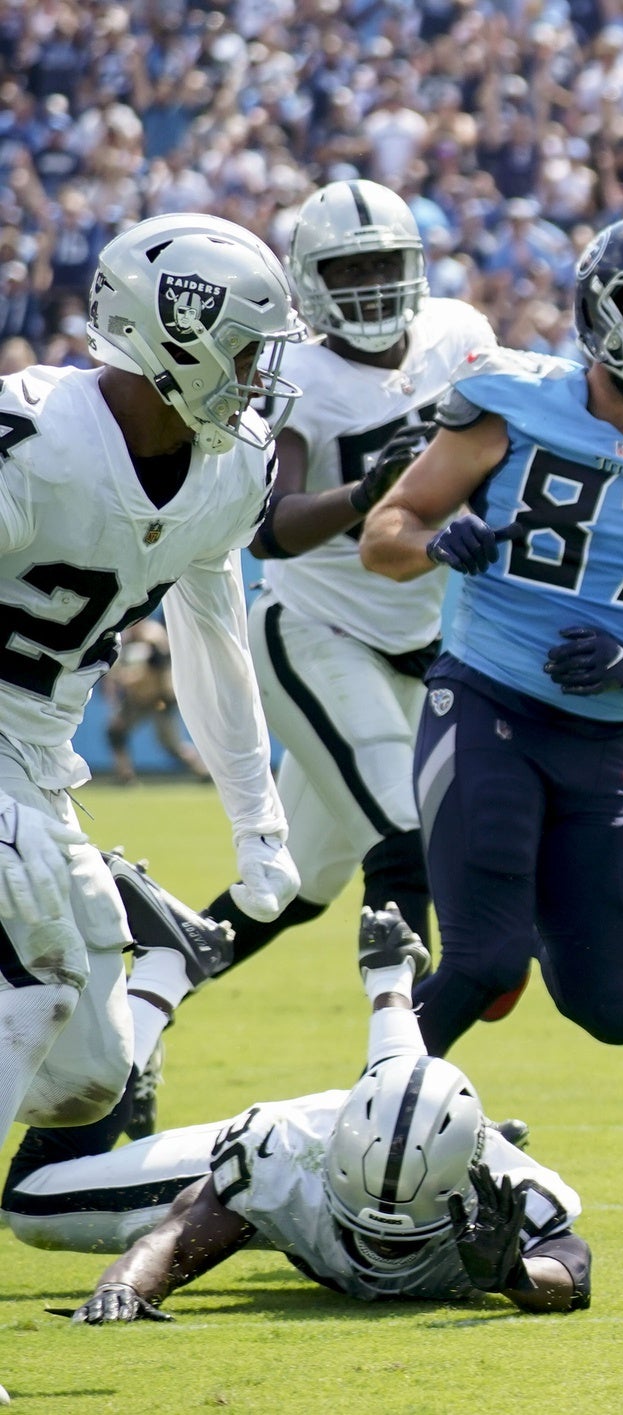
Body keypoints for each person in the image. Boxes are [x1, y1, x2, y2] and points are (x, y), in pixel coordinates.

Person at [126, 181, 501, 1137]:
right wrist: (370, 491)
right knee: (406, 842)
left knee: (288, 889)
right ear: (309, 282)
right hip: (314, 632)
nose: (373, 287)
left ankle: (135, 1019)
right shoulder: (303, 376)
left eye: (385, 265)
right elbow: (274, 529)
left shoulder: (460, 335)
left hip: (413, 642)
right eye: (351, 269)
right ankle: (399, 1086)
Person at [360, 213, 623, 1057]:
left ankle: (527, 895)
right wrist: (438, 541)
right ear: (600, 308)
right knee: (483, 960)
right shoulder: (510, 398)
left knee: (616, 1007)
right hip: (485, 699)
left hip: (602, 737)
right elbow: (384, 533)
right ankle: (351, 1129)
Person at [0, 213, 303, 1151]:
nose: (259, 377)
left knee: (88, 1074)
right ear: (175, 328)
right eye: (247, 350)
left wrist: (257, 817)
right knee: (40, 978)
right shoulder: (34, 434)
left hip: (42, 764)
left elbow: (215, 637)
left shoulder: (231, 467)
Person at [4, 906, 590, 1317]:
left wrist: (515, 1275)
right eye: (367, 1229)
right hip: (306, 1170)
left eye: (402, 1242)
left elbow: (571, 1272)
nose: (383, 1250)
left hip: (386, 1145)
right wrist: (128, 1288)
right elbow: (182, 1235)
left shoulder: (505, 1195)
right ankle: (163, 975)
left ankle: (387, 976)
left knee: (402, 1094)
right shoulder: (287, 1156)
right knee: (30, 1202)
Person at [99, 619, 209, 784]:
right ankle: (125, 775)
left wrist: (128, 677)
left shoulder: (153, 635)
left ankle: (204, 771)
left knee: (171, 745)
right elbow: (113, 669)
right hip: (137, 698)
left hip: (160, 698)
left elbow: (158, 664)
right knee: (115, 730)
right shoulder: (124, 637)